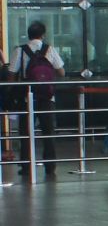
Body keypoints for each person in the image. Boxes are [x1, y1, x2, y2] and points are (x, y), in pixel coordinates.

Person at [9, 20, 63, 178]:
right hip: (47, 97)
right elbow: (61, 72)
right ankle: (50, 166)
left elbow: (11, 74)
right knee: (48, 132)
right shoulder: (49, 49)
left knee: (26, 133)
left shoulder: (20, 51)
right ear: (43, 35)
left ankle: (26, 166)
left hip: (27, 98)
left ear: (28, 35)